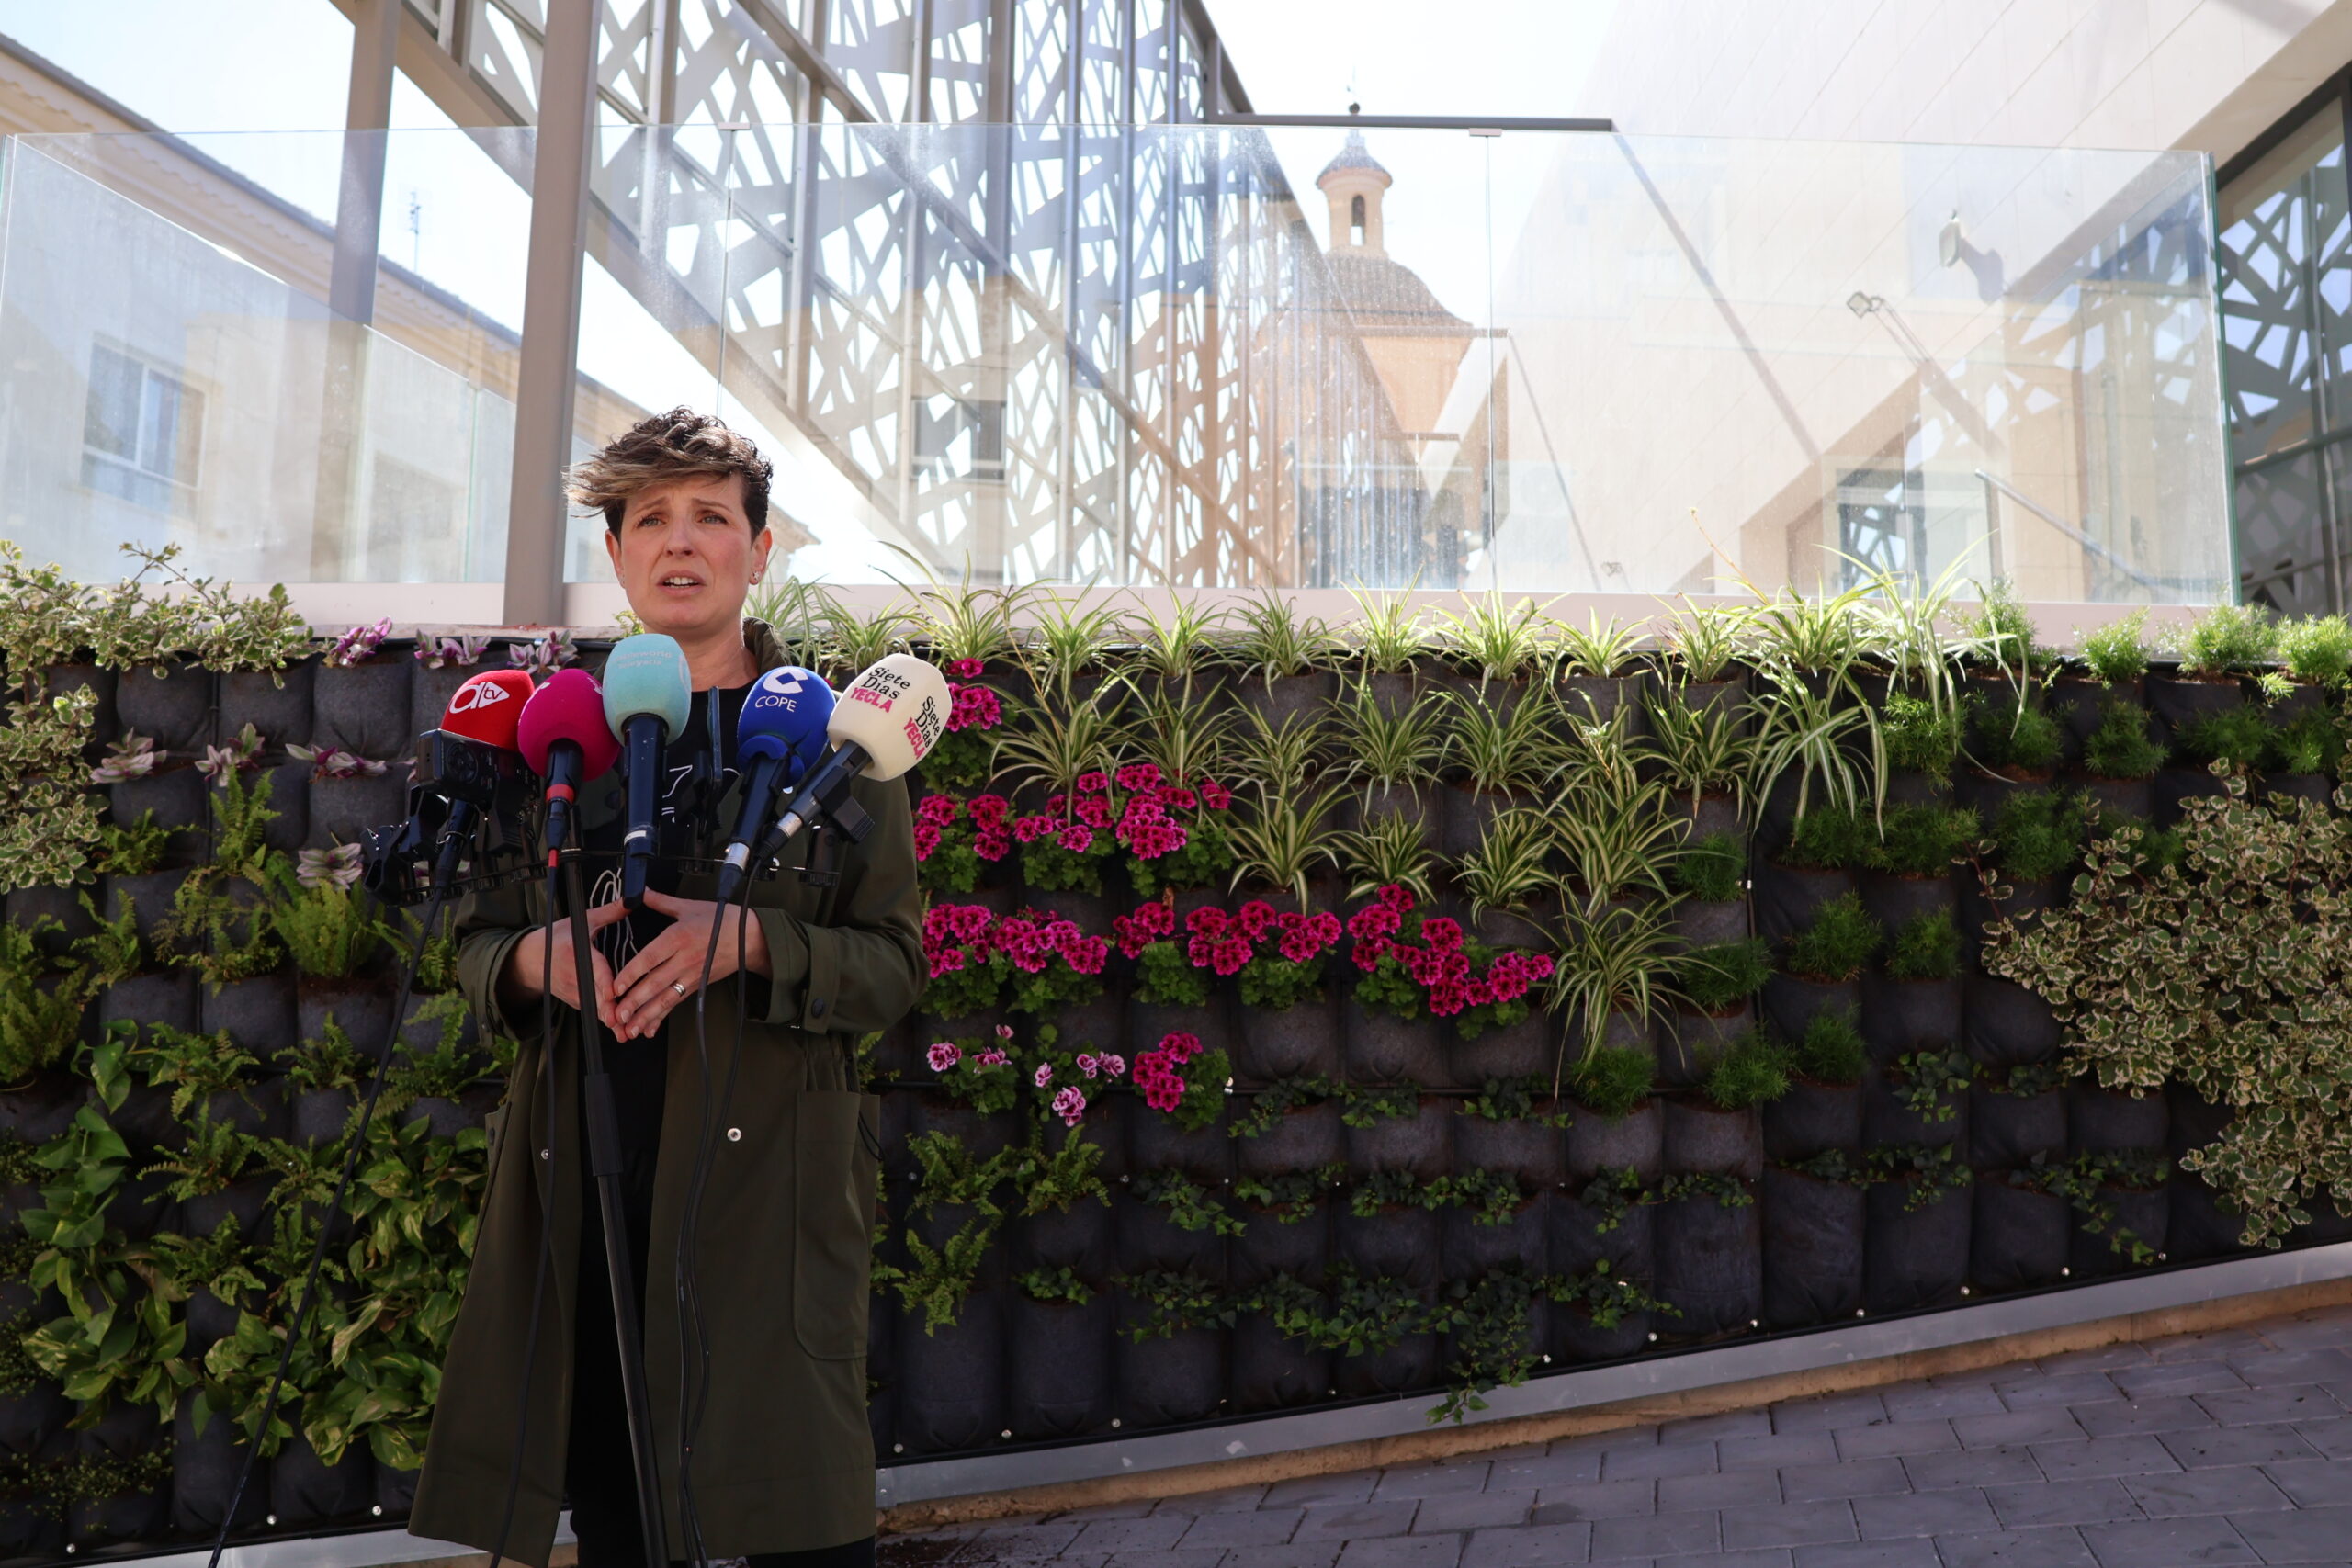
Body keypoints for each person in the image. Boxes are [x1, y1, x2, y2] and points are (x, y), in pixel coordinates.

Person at [410, 409, 923, 1568]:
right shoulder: (554, 738)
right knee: (618, 1521)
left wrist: (749, 946)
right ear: (617, 554)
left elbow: (893, 964)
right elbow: (482, 946)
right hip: (586, 1184)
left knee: (800, 1524)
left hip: (769, 1196)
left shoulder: (841, 742)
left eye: (709, 518)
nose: (680, 544)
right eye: (652, 520)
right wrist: (537, 962)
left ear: (760, 545)